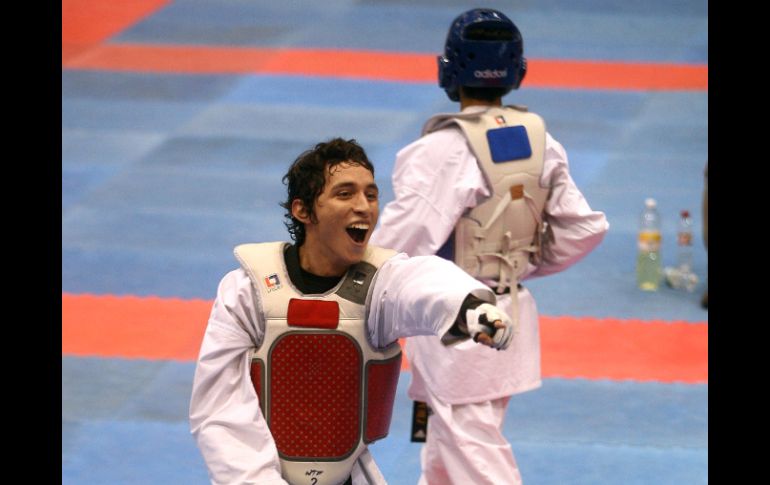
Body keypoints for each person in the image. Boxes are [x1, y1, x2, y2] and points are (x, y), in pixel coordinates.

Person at [369, 8, 609, 484]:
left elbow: (399, 241)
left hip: (456, 319)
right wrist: (513, 269)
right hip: (511, 308)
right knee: (449, 435)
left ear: (447, 69)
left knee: (470, 445)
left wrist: (349, 280)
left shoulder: (437, 152)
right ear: (517, 71)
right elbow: (584, 229)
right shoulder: (541, 142)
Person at [189, 137, 517, 485]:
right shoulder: (247, 290)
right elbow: (218, 406)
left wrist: (470, 308)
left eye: (371, 195)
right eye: (344, 194)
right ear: (303, 210)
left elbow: (422, 284)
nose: (364, 206)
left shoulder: (379, 283)